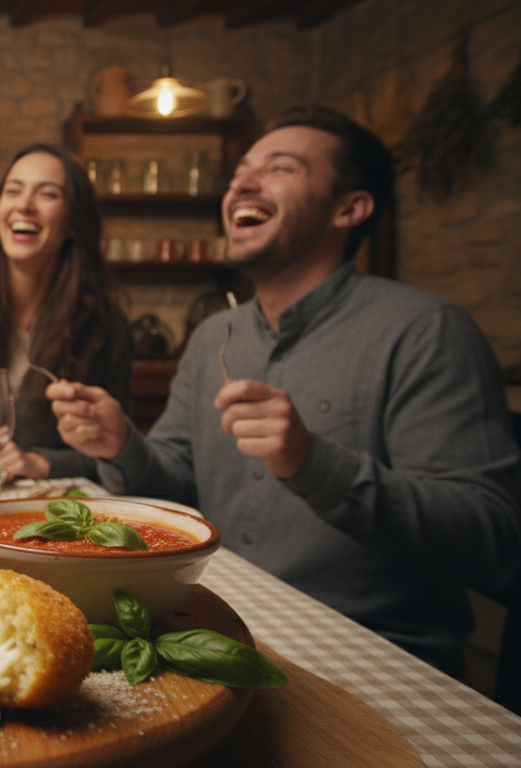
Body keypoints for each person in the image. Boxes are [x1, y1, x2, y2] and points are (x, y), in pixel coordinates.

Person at [48, 105, 521, 674]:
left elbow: (493, 542)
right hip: (222, 629)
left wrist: (313, 463)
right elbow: (174, 482)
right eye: (241, 170)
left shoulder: (427, 332)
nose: (241, 182)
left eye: (281, 168)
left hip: (376, 659)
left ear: (351, 208)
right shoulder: (213, 336)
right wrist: (121, 444)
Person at [0, 144, 131, 483]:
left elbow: (119, 454)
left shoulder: (106, 326)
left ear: (74, 223)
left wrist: (41, 463)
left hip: (47, 514)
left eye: (47, 194)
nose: (24, 205)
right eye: (13, 190)